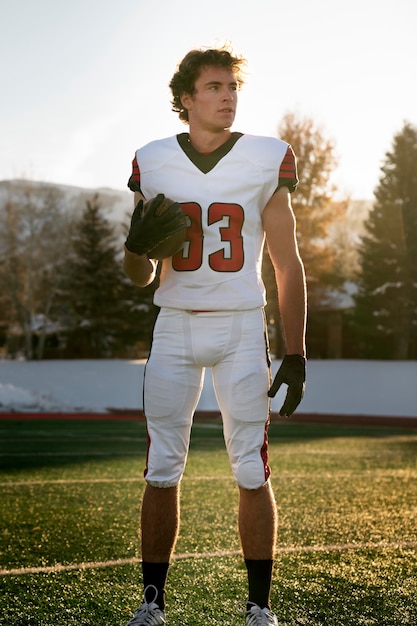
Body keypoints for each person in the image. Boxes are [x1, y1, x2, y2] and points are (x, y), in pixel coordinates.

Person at [123, 45, 307, 626]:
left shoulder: (264, 157)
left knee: (251, 470)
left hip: (240, 328)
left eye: (233, 87)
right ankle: (152, 602)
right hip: (174, 326)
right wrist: (134, 249)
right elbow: (137, 275)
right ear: (186, 98)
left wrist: (296, 351)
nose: (228, 96)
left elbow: (288, 262)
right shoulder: (151, 161)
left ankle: (259, 607)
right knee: (160, 470)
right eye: (215, 86)